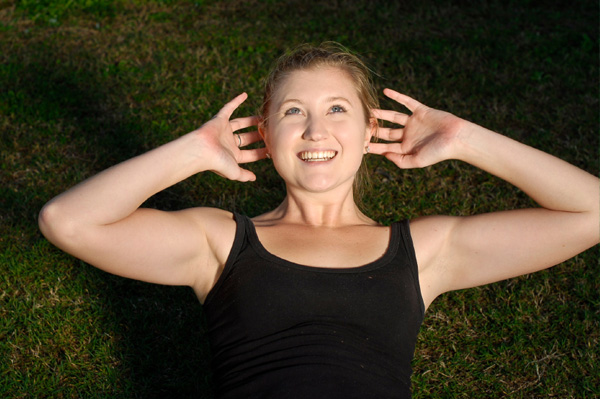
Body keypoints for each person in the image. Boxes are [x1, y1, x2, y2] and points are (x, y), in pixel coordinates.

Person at [38, 43, 599, 398]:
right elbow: (68, 221)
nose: (314, 131)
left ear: (367, 130)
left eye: (336, 109)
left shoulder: (424, 250)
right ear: (264, 133)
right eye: (292, 112)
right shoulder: (221, 241)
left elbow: (591, 211)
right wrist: (192, 150)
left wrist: (466, 139)